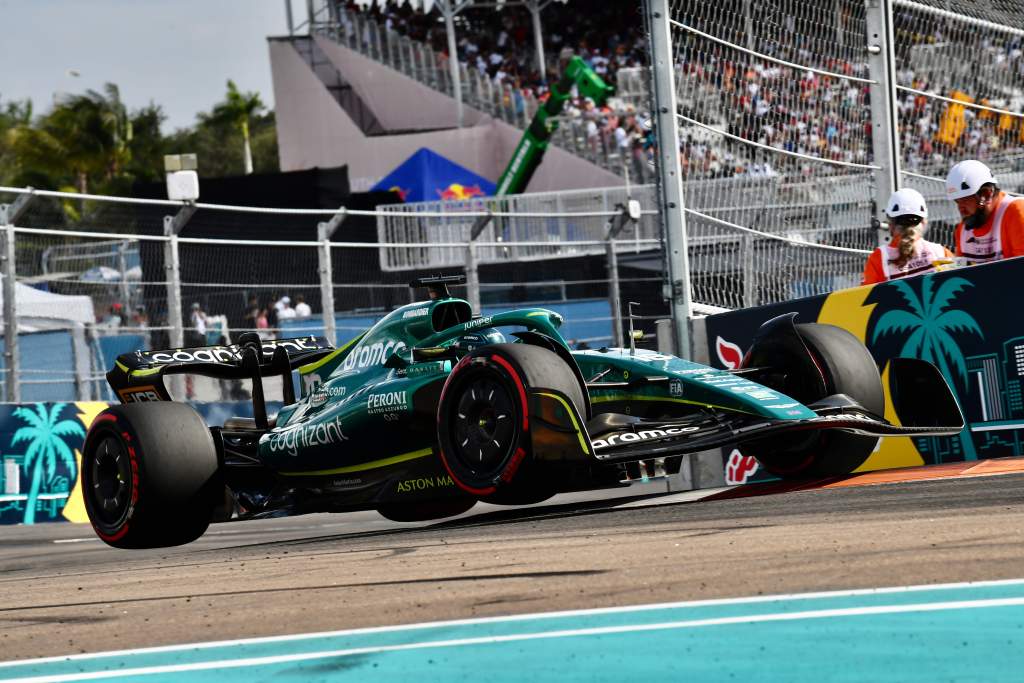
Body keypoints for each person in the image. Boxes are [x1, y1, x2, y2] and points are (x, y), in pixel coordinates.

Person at [862, 188, 952, 285]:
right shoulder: (940, 252)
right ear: (924, 221)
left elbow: (864, 296)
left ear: (890, 224)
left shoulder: (879, 258)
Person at [946, 159, 1024, 264]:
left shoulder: (1016, 212)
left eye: (965, 200)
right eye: (957, 201)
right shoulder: (962, 230)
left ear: (986, 194)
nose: (960, 208)